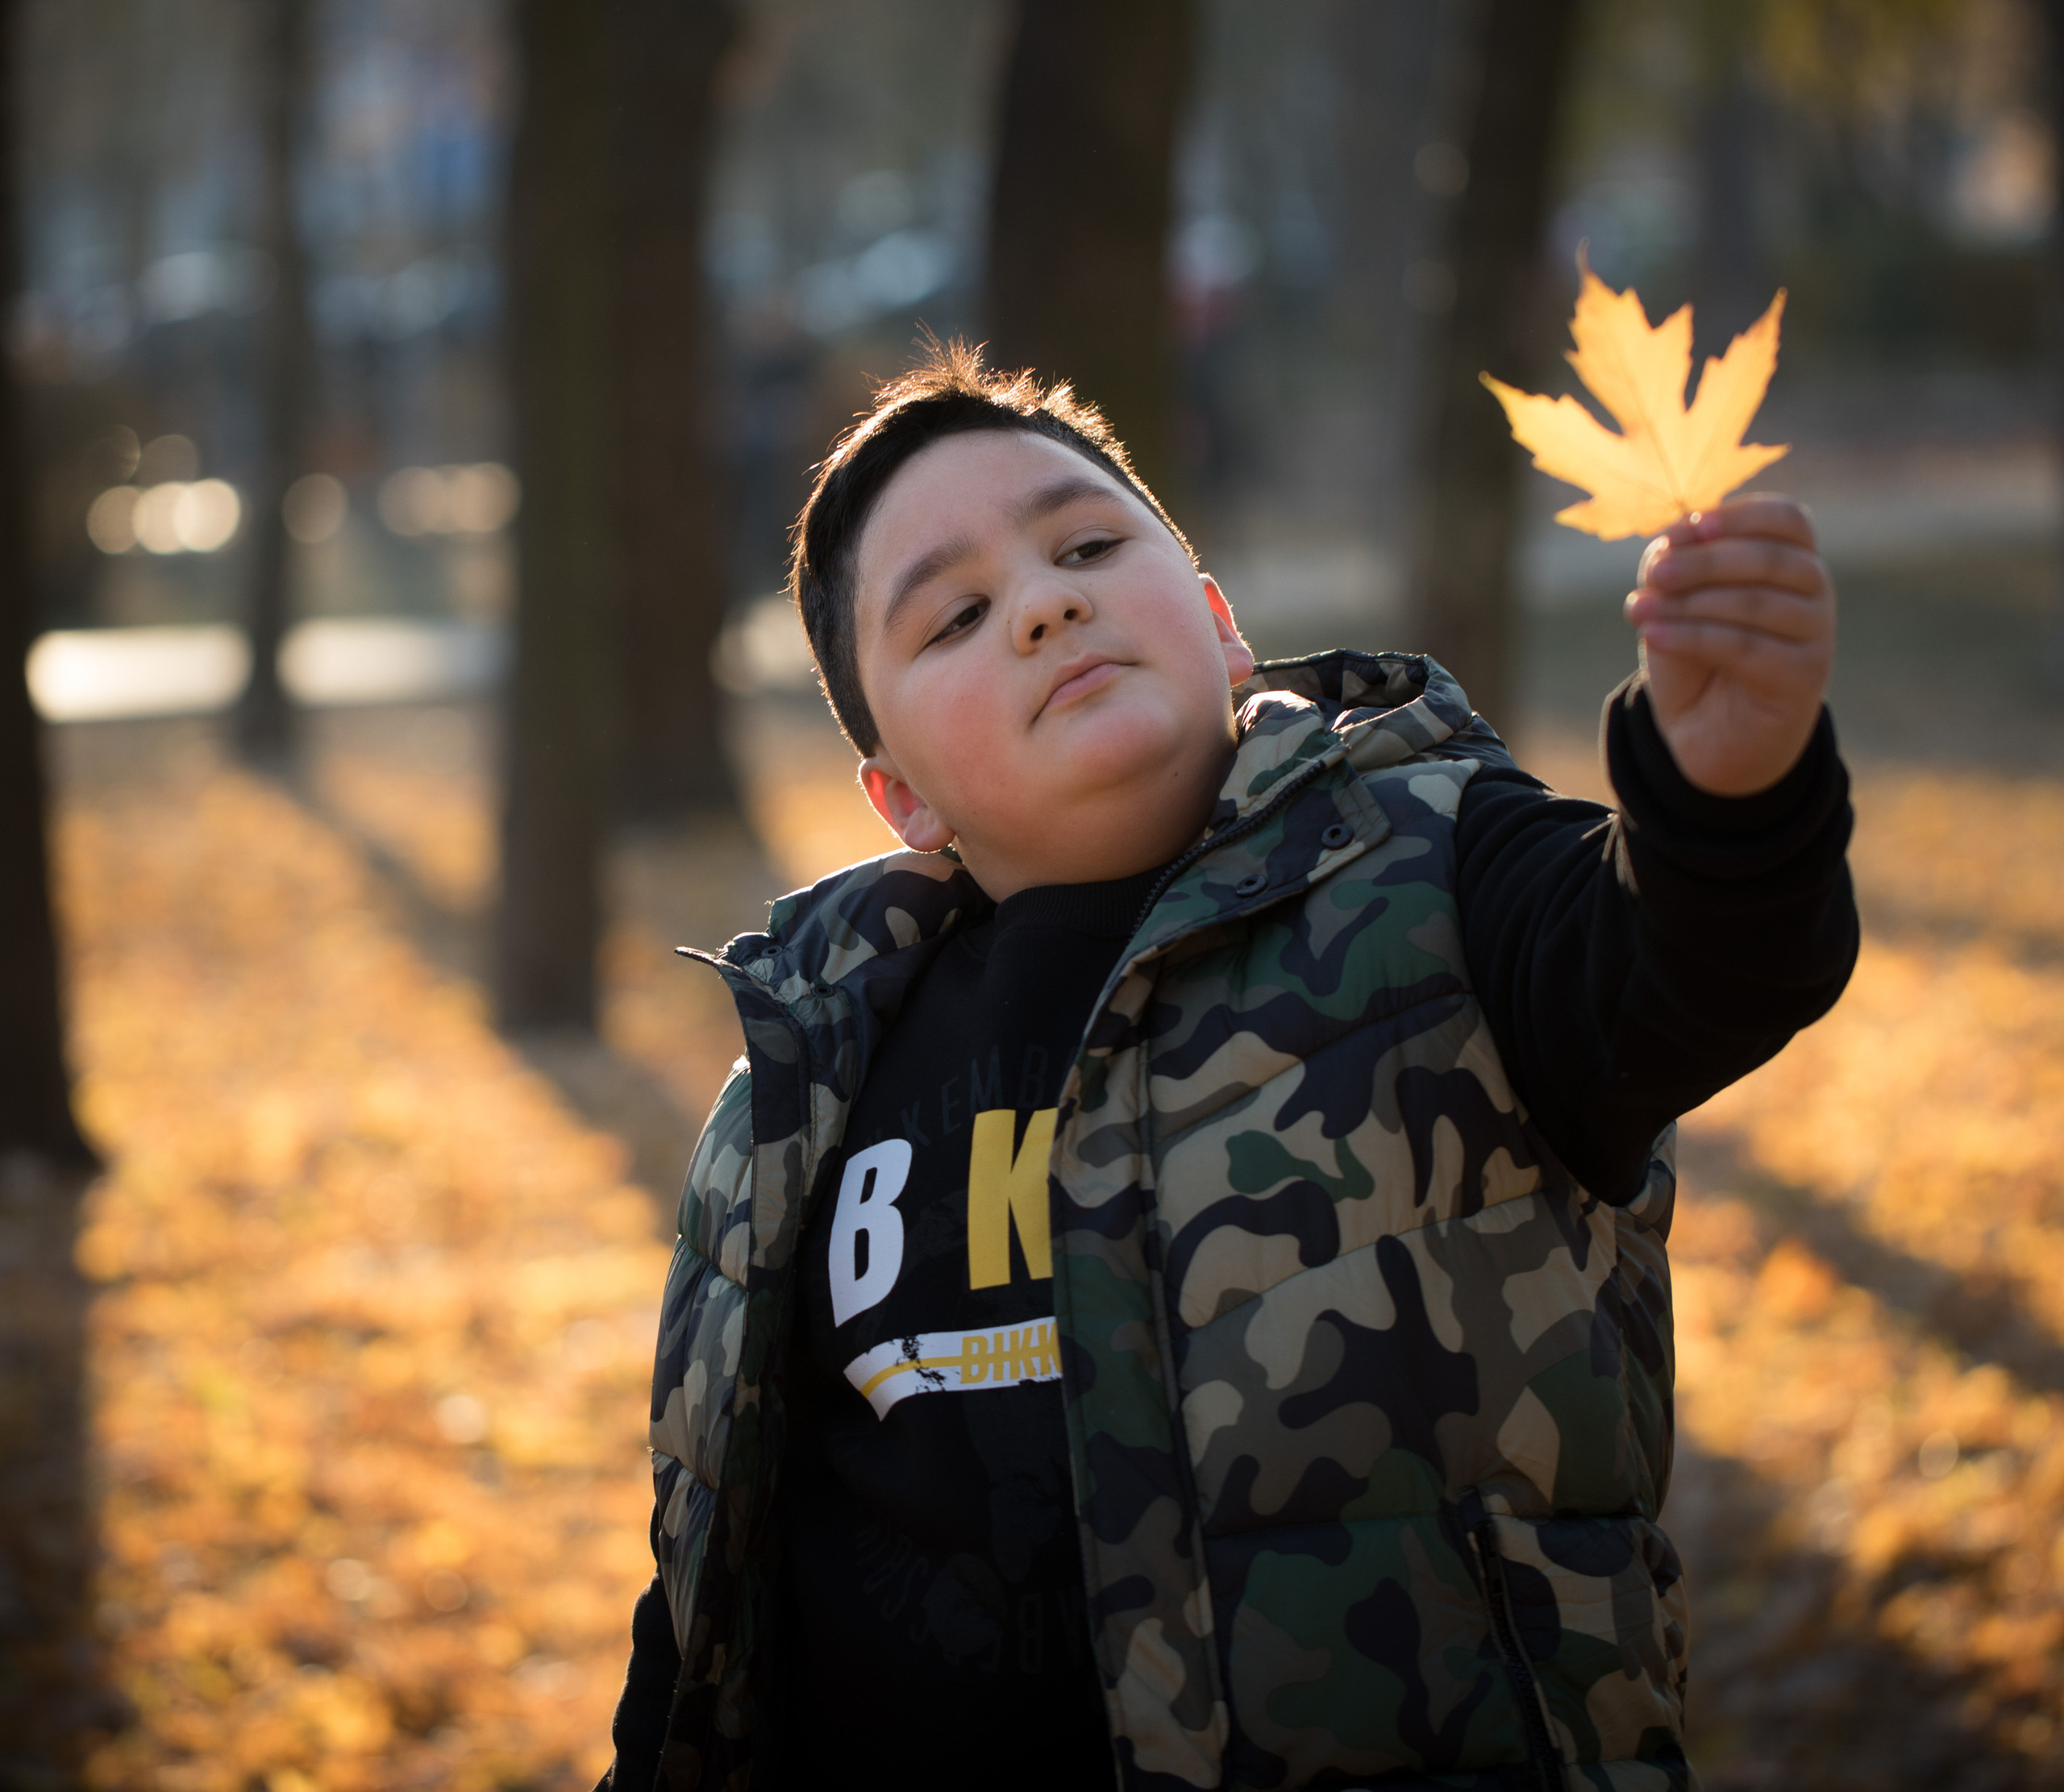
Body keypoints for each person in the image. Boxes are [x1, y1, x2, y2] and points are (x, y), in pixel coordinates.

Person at [597, 342, 1856, 1792]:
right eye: (954, 616)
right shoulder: (796, 1096)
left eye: (1084, 546)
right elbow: (713, 1599)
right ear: (901, 797)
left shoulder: (1440, 871)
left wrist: (1725, 788)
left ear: (1218, 625)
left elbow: (1691, 968)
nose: (1047, 602)